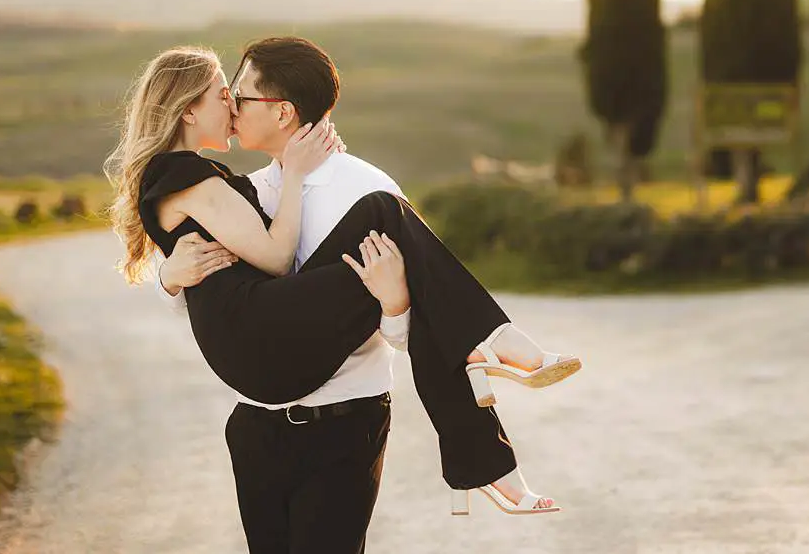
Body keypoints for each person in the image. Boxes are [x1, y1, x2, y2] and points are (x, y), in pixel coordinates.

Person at [104, 39, 580, 553]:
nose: (233, 108)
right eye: (226, 96)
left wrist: (395, 303)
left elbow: (409, 332)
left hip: (344, 424)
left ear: (282, 111)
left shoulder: (360, 186)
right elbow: (213, 275)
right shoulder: (249, 188)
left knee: (383, 210)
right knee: (386, 217)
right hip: (258, 415)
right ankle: (493, 353)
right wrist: (169, 277)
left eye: (239, 96)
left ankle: (490, 422)